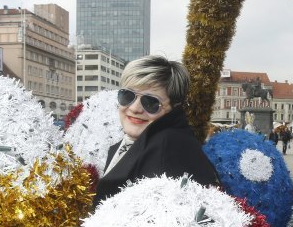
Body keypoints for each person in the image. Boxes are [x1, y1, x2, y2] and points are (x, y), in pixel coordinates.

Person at [93, 55, 219, 206]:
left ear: (174, 108)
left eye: (151, 102)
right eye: (127, 96)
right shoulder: (135, 143)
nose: (134, 108)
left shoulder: (168, 146)